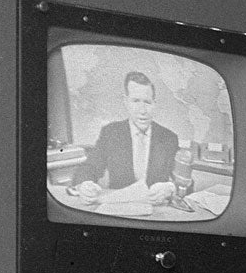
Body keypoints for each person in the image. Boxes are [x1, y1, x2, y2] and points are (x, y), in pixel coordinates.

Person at [76, 70, 179, 203]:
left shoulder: (169, 138)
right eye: (135, 101)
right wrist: (85, 185)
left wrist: (170, 188)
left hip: (157, 212)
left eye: (147, 102)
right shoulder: (110, 133)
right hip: (119, 209)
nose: (142, 110)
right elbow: (89, 167)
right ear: (126, 102)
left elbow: (185, 182)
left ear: (154, 104)